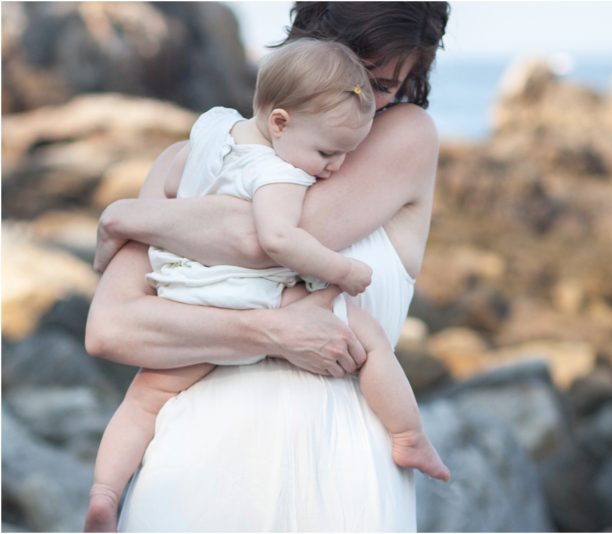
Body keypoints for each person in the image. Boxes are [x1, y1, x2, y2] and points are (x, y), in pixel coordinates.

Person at [85, 2, 451, 531]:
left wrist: (137, 217)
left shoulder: (406, 136)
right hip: (194, 466)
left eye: (385, 85)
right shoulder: (194, 158)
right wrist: (273, 331)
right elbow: (110, 330)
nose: (361, 100)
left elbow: (263, 242)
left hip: (338, 471)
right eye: (355, 73)